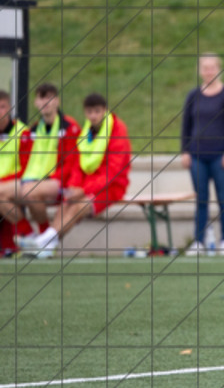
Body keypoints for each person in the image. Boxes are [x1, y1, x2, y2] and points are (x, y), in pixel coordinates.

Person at [23, 93, 131, 258]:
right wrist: (74, 187)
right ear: (85, 113)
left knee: (78, 206)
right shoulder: (87, 130)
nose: (93, 116)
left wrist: (84, 190)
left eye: (97, 111)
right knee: (67, 202)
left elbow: (113, 171)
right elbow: (77, 164)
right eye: (89, 112)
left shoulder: (117, 129)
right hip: (89, 183)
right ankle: (46, 246)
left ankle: (42, 241)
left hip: (112, 186)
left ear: (105, 110)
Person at [0, 83, 81, 253]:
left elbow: (71, 163)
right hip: (31, 181)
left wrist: (49, 180)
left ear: (57, 101)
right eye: (41, 98)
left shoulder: (69, 127)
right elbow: (25, 165)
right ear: (36, 102)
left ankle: (45, 240)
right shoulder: (33, 130)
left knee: (30, 191)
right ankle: (30, 237)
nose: (46, 102)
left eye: (49, 98)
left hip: (57, 182)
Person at [181, 53, 224, 256]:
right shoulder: (193, 96)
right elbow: (186, 125)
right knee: (201, 200)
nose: (209, 72)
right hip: (197, 157)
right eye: (205, 68)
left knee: (223, 197)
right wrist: (185, 151)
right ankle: (199, 241)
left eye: (212, 68)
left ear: (219, 69)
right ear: (200, 71)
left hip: (220, 156)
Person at [0, 91, 29, 256]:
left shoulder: (22, 132)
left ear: (10, 108)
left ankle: (26, 234)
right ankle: (9, 247)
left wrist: (4, 181)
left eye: (2, 107)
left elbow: (27, 169)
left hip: (19, 183)